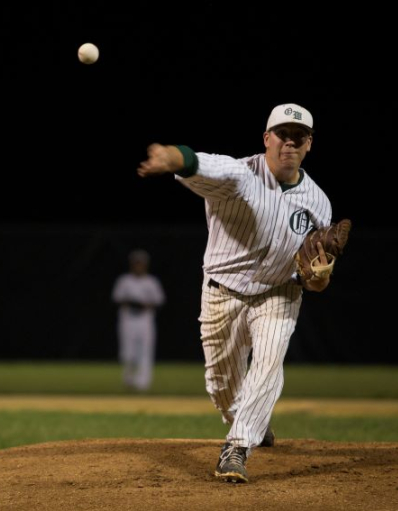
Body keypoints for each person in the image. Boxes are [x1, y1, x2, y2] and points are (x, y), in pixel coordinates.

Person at [136, 103, 334, 483]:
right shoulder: (238, 175)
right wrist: (170, 156)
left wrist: (319, 280)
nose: (289, 143)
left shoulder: (319, 202)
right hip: (222, 293)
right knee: (222, 388)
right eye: (282, 134)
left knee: (269, 361)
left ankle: (238, 446)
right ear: (267, 138)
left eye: (299, 137)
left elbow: (315, 276)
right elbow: (197, 162)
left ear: (309, 144)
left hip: (279, 293)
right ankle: (252, 419)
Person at [111, 249, 165, 391]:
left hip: (145, 319)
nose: (138, 266)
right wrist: (131, 302)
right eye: (136, 263)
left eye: (141, 263)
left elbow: (159, 300)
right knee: (127, 351)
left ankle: (143, 383)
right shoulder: (124, 280)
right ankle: (128, 379)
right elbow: (117, 298)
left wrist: (144, 304)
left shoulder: (151, 281)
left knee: (145, 350)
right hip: (128, 318)